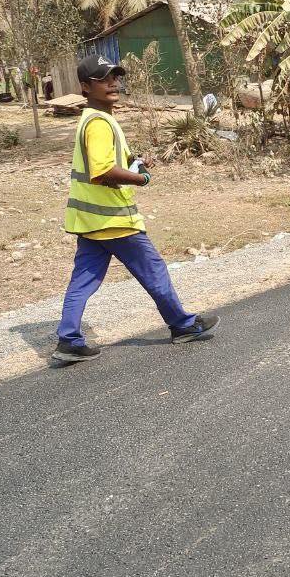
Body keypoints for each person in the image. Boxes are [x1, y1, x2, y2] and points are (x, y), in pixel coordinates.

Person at [53, 55, 219, 362]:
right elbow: (102, 170)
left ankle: (68, 338)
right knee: (153, 269)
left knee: (83, 279)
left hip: (90, 221)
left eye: (114, 77)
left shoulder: (94, 119)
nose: (113, 83)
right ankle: (182, 324)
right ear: (86, 87)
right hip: (113, 220)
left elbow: (109, 163)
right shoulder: (99, 123)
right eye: (104, 79)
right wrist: (140, 178)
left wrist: (134, 163)